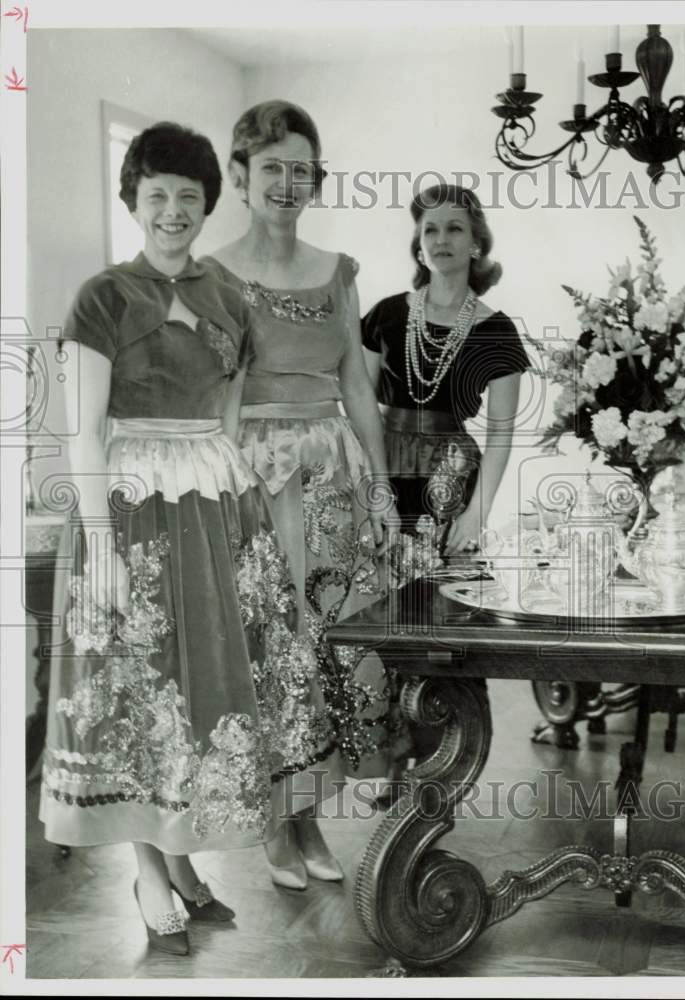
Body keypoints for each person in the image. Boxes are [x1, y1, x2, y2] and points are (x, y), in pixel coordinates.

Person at [39, 122, 309, 956]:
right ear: (133, 201)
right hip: (131, 512)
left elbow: (228, 412)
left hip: (214, 508)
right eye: (155, 194)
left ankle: (187, 866)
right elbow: (80, 432)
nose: (172, 211)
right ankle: (150, 870)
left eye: (188, 196)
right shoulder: (103, 298)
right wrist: (100, 548)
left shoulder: (228, 296)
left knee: (200, 695)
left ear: (206, 203)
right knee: (139, 691)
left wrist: (248, 493)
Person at [207, 100, 402, 888]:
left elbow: (356, 380)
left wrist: (382, 488)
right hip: (258, 471)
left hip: (335, 473)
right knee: (272, 647)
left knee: (335, 644)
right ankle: (278, 829)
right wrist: (224, 484)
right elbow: (223, 386)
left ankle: (312, 816)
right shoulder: (216, 273)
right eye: (272, 169)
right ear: (240, 177)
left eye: (301, 170)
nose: (288, 184)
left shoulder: (337, 270)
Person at [361, 183, 530, 554]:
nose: (441, 239)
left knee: (443, 598)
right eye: (430, 230)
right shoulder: (385, 315)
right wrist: (372, 484)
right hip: (380, 466)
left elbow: (501, 436)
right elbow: (359, 407)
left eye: (454, 228)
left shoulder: (497, 331)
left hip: (450, 476)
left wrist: (476, 514)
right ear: (419, 247)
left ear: (475, 243)